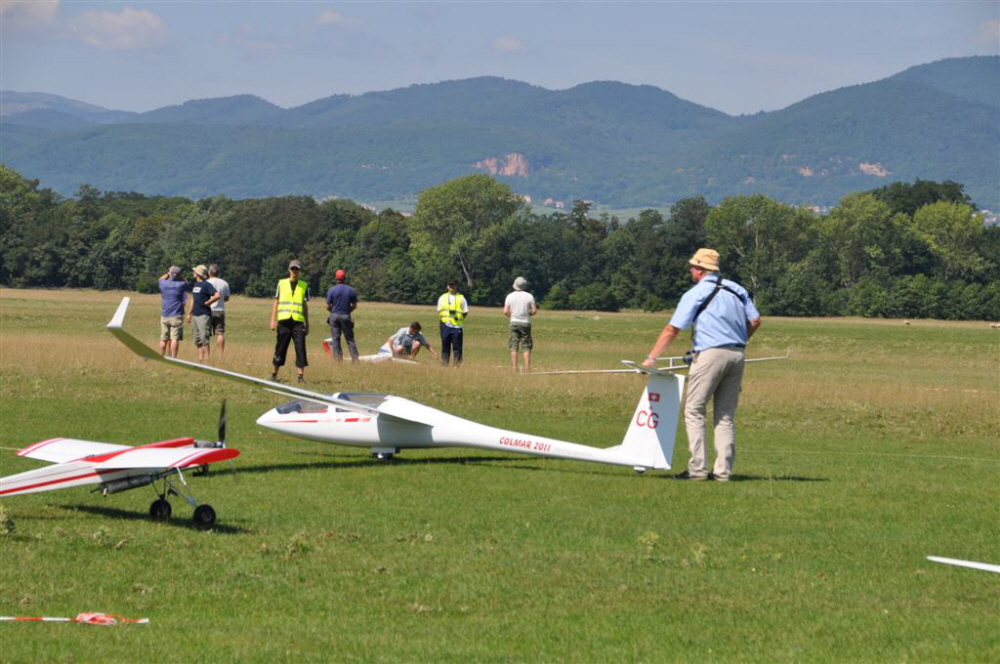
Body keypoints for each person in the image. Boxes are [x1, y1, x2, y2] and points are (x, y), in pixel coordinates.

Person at [641, 248, 762, 482]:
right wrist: (740, 339)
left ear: (700, 270)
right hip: (737, 354)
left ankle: (697, 470)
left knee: (694, 410)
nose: (690, 270)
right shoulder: (737, 289)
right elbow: (756, 320)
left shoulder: (695, 293)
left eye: (693, 266)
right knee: (725, 415)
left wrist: (651, 358)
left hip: (709, 355)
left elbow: (673, 329)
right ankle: (723, 472)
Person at [269, 260, 310, 383]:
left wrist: (307, 323)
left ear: (299, 270)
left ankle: (300, 377)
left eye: (297, 269)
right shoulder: (281, 284)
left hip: (298, 321)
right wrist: (273, 319)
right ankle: (274, 374)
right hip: (284, 321)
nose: (294, 271)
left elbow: (304, 305)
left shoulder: (304, 285)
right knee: (280, 348)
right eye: (292, 269)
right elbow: (276, 301)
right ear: (289, 270)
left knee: (300, 348)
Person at [186, 265, 220, 363]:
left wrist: (208, 302)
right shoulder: (196, 284)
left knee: (204, 338)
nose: (193, 273)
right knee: (197, 339)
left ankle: (207, 360)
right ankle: (200, 359)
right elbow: (193, 299)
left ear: (198, 273)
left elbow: (217, 295)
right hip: (195, 315)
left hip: (204, 315)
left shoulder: (206, 284)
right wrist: (189, 314)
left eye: (194, 271)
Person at [503, 276, 538, 373]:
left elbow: (505, 311)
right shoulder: (529, 296)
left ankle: (514, 368)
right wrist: (528, 314)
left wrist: (512, 315)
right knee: (526, 345)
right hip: (525, 322)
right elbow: (534, 311)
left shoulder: (509, 296)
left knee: (514, 345)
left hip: (514, 322)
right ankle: (527, 368)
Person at [325, 268, 359, 363]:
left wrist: (333, 312)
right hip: (346, 315)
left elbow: (327, 306)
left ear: (336, 279)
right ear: (345, 278)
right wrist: (348, 311)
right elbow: (355, 305)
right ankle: (355, 360)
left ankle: (338, 360)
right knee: (349, 339)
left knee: (336, 339)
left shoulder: (331, 290)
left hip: (334, 316)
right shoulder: (351, 290)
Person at [157, 265, 188, 358]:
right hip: (176, 314)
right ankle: (174, 358)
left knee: (163, 339)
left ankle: (161, 356)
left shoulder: (163, 284)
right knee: (174, 338)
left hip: (165, 314)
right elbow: (186, 282)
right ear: (179, 275)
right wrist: (179, 276)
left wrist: (168, 273)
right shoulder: (181, 285)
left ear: (170, 273)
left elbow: (160, 279)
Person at [437, 280, 469, 366]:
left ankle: (456, 366)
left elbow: (465, 311)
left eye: (453, 285)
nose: (451, 287)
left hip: (457, 326)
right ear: (447, 286)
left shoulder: (461, 298)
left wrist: (459, 319)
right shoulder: (442, 297)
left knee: (457, 348)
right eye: (450, 285)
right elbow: (439, 311)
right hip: (445, 326)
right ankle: (444, 365)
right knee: (445, 347)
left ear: (456, 286)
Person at [207, 264, 231, 358]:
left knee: (206, 334)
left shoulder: (206, 283)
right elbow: (227, 298)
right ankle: (220, 355)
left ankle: (207, 356)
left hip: (208, 310)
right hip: (220, 310)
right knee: (220, 333)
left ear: (209, 272)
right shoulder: (224, 283)